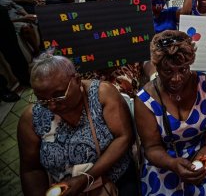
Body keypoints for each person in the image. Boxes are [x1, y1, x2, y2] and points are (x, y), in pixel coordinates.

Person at [135, 30, 206, 196]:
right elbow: (152, 147)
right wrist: (172, 164)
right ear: (156, 66)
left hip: (205, 152)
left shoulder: (203, 84)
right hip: (166, 162)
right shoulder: (145, 100)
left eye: (183, 70)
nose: (177, 78)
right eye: (168, 72)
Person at [18, 54, 138, 195]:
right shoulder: (31, 118)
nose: (51, 106)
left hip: (116, 180)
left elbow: (124, 137)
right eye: (41, 99)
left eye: (59, 95)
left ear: (77, 80)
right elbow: (30, 169)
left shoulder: (101, 94)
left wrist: (86, 178)